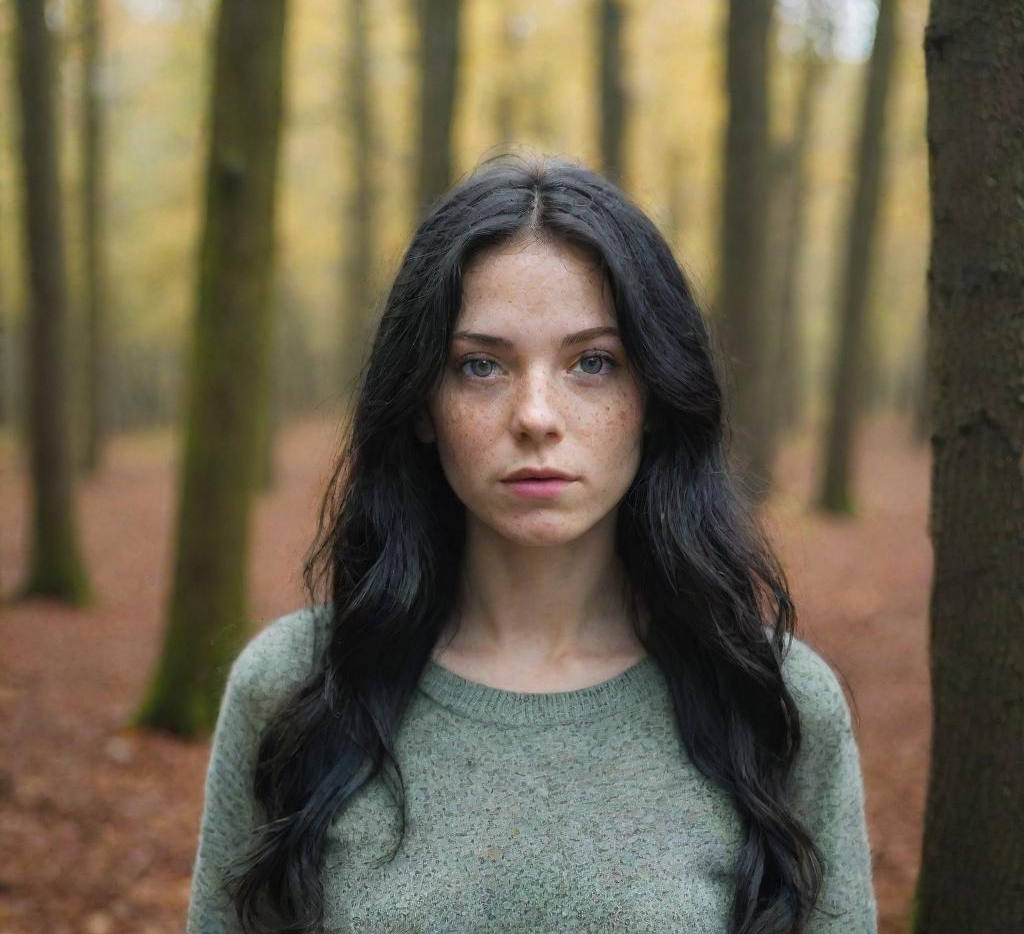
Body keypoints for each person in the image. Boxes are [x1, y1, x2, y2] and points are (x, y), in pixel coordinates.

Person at [186, 152, 878, 934]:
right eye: (481, 366)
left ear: (652, 396)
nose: (536, 416)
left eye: (593, 363)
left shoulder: (772, 702)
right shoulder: (296, 691)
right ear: (421, 404)